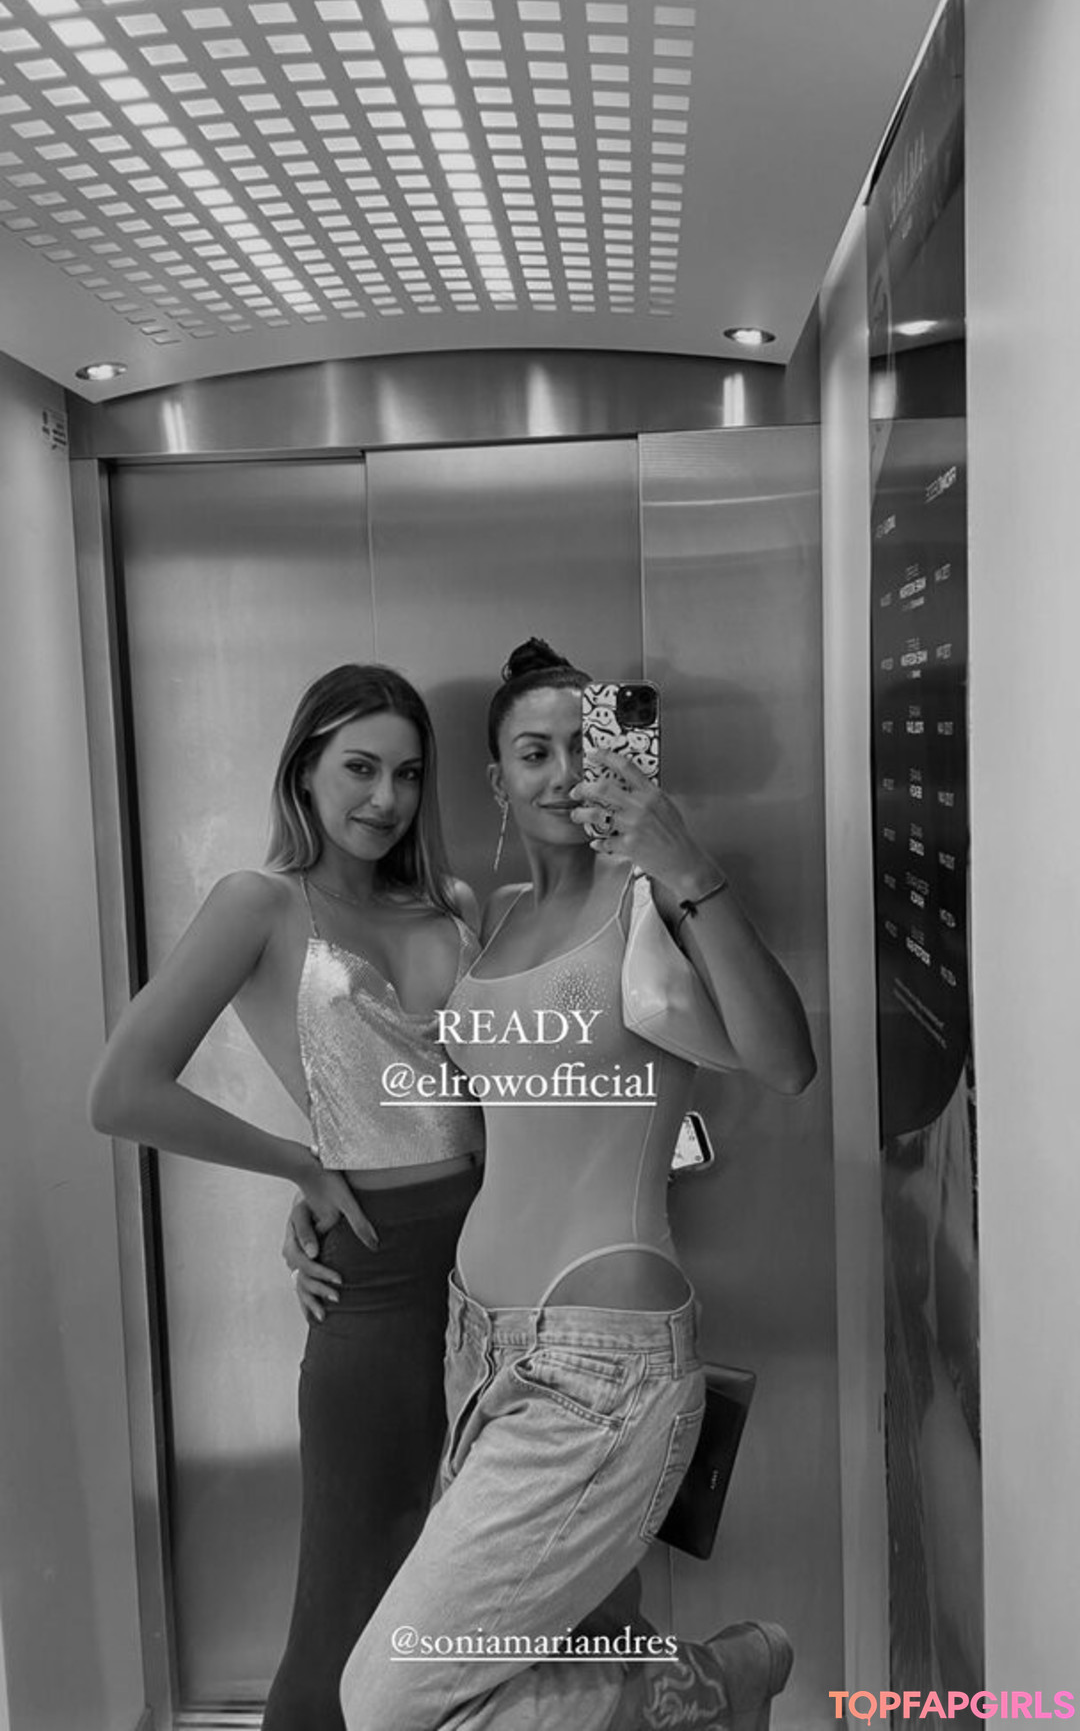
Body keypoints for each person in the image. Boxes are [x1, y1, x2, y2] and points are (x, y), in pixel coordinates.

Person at [316, 636, 816, 1731]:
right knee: (516, 1666)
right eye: (531, 753)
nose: (561, 773)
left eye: (582, 747)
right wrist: (315, 1183)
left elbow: (786, 1062)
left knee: (387, 1698)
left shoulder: (652, 900)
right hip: (476, 1348)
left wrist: (687, 865)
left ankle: (714, 1678)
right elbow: (475, 1119)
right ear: (497, 781)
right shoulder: (491, 917)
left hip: (602, 1366)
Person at [89, 664, 484, 1731]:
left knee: (473, 1617)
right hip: (380, 1281)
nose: (386, 797)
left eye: (409, 772)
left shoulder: (453, 905)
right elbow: (122, 1090)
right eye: (359, 767)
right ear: (305, 769)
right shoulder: (258, 903)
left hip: (502, 1270)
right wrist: (302, 1167)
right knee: (346, 1619)